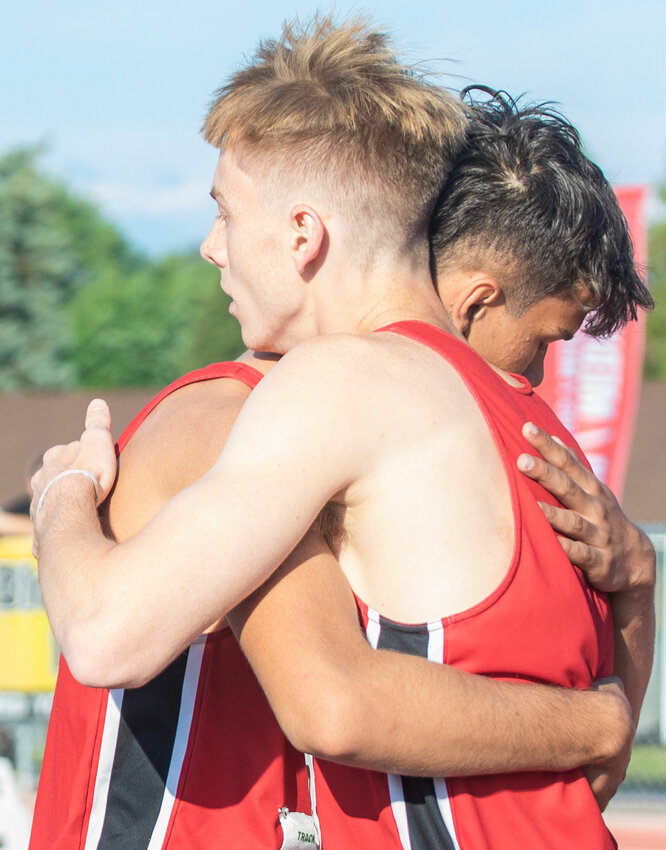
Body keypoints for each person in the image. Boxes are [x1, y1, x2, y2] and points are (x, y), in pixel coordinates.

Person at [30, 20, 653, 850]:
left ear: (302, 234)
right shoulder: (535, 435)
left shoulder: (305, 392)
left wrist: (61, 497)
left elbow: (125, 642)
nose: (213, 248)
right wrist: (612, 676)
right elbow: (590, 786)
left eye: (224, 213)